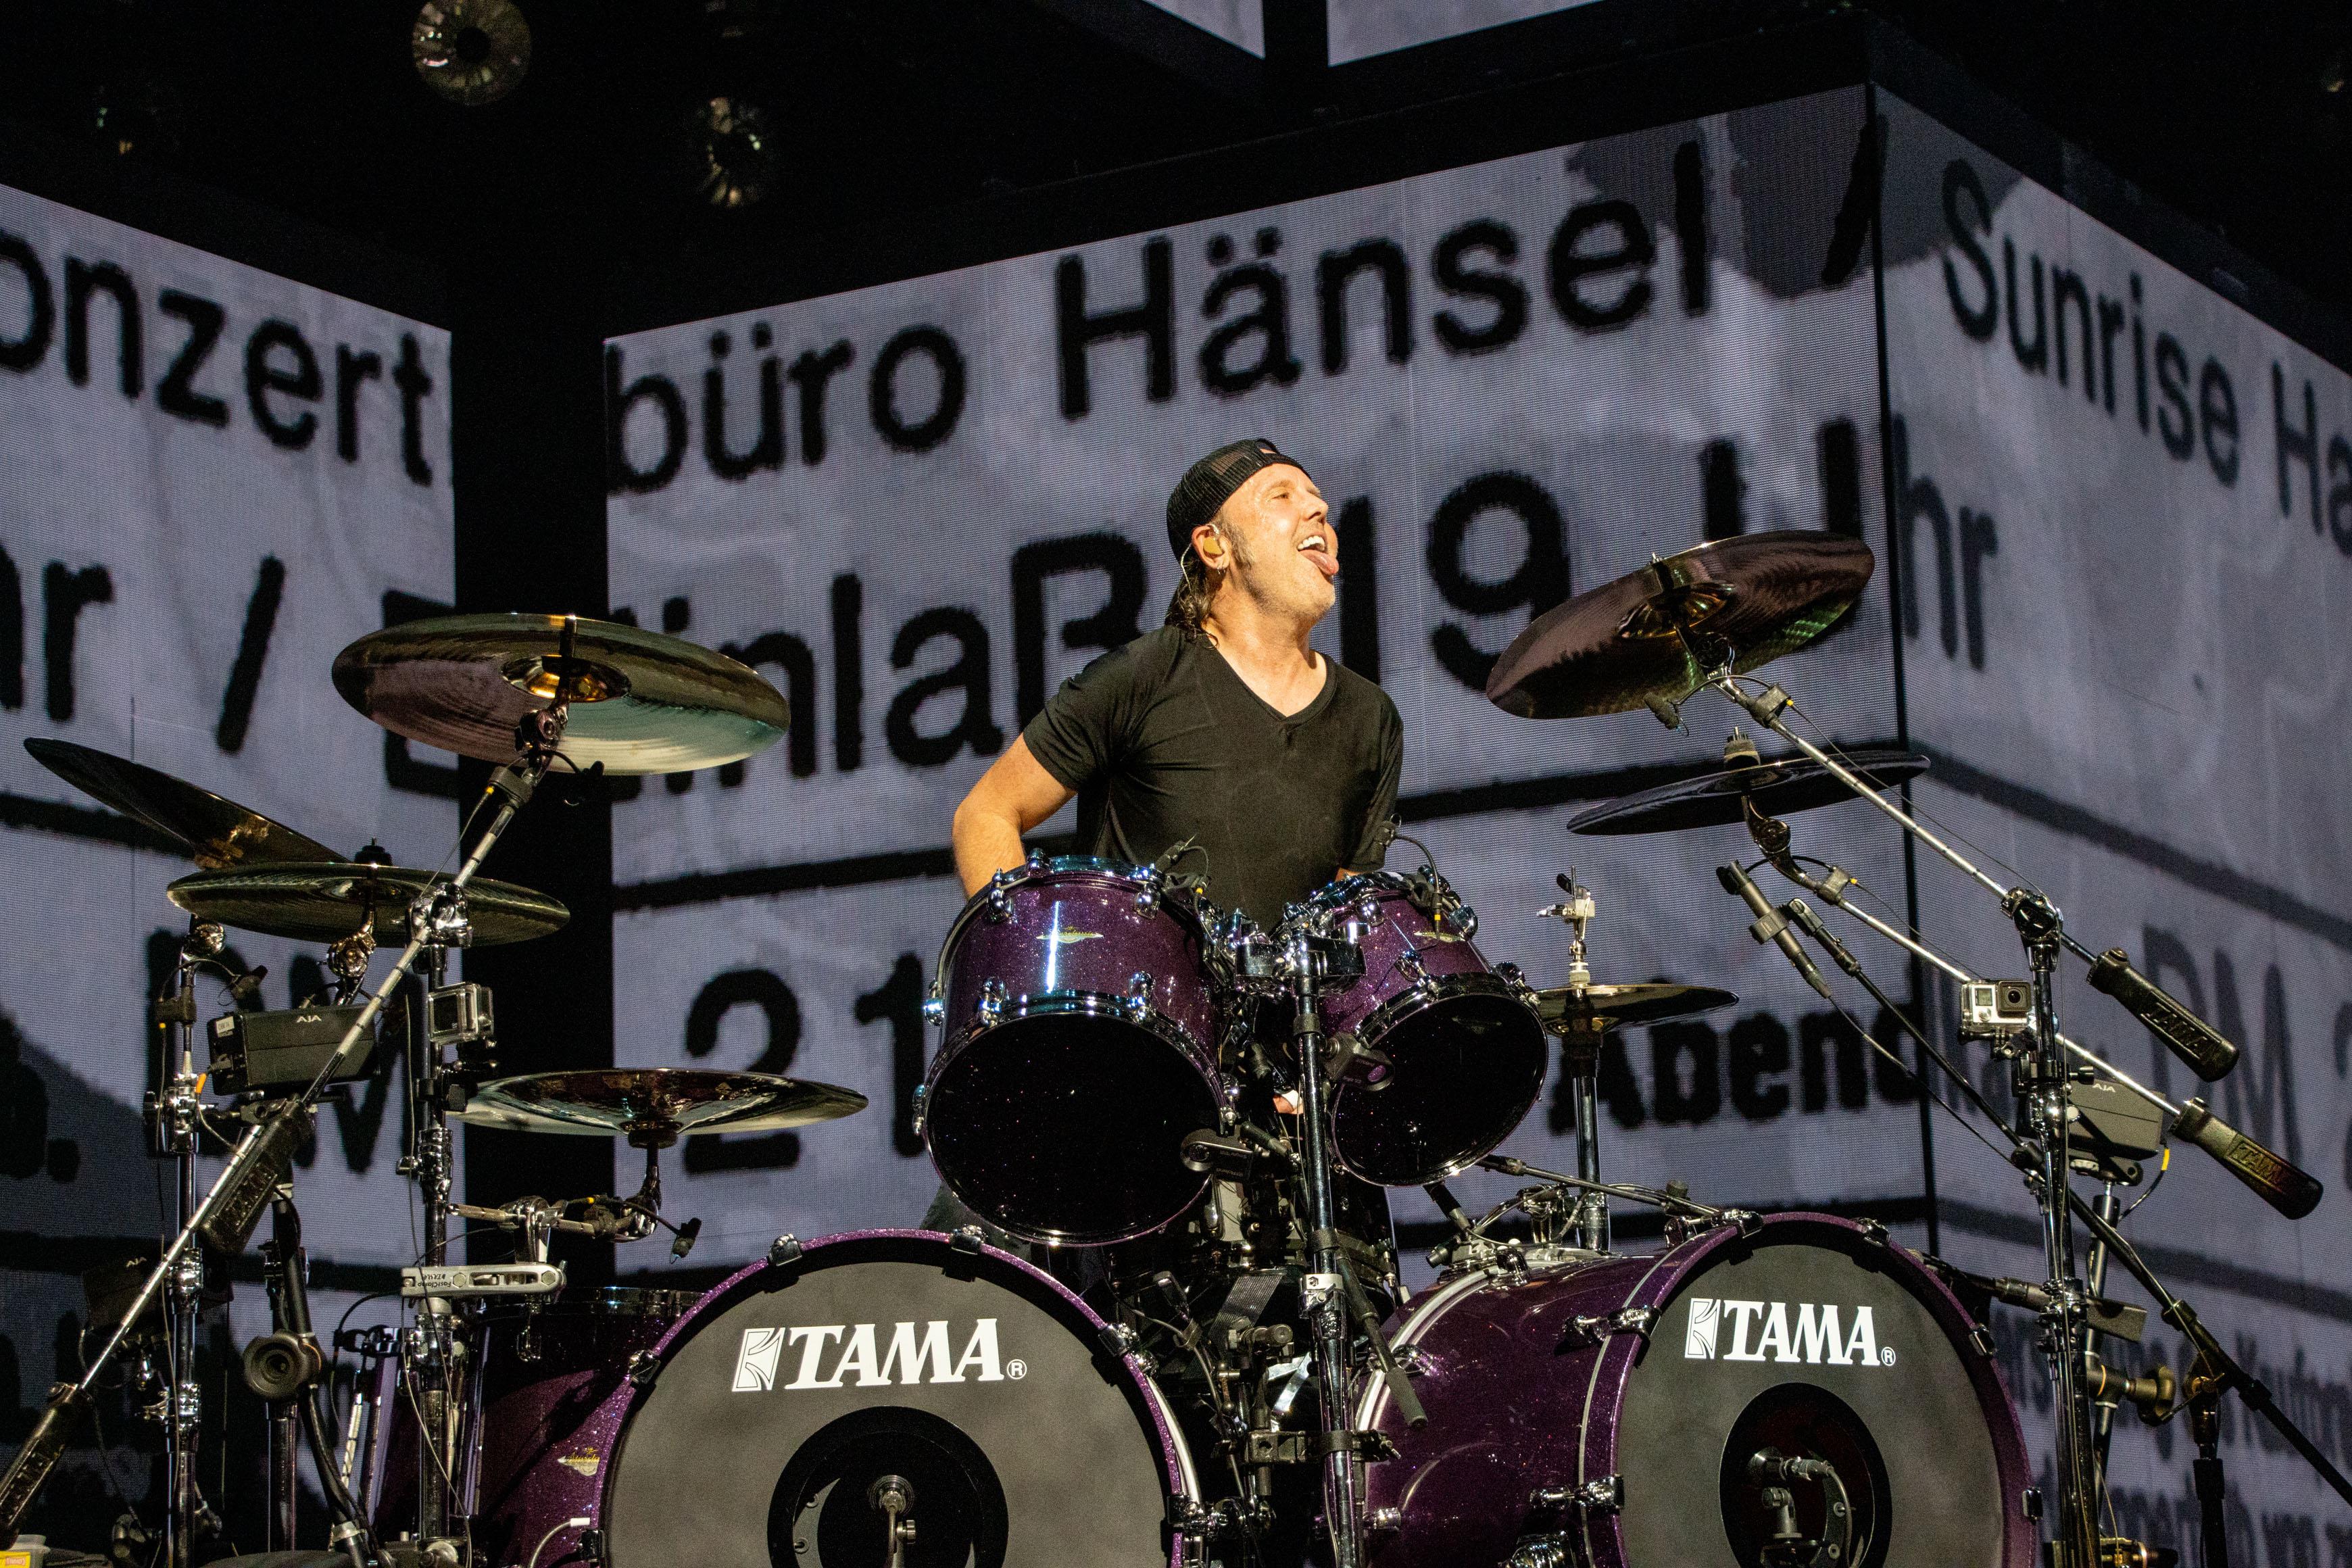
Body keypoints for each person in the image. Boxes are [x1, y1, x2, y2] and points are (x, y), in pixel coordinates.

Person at [951, 437, 1401, 927]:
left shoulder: (1370, 718)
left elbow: (1348, 921)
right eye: (1282, 496)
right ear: (1214, 546)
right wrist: (1029, 950)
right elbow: (986, 814)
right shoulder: (1143, 677)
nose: (1319, 510)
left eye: (1317, 499)